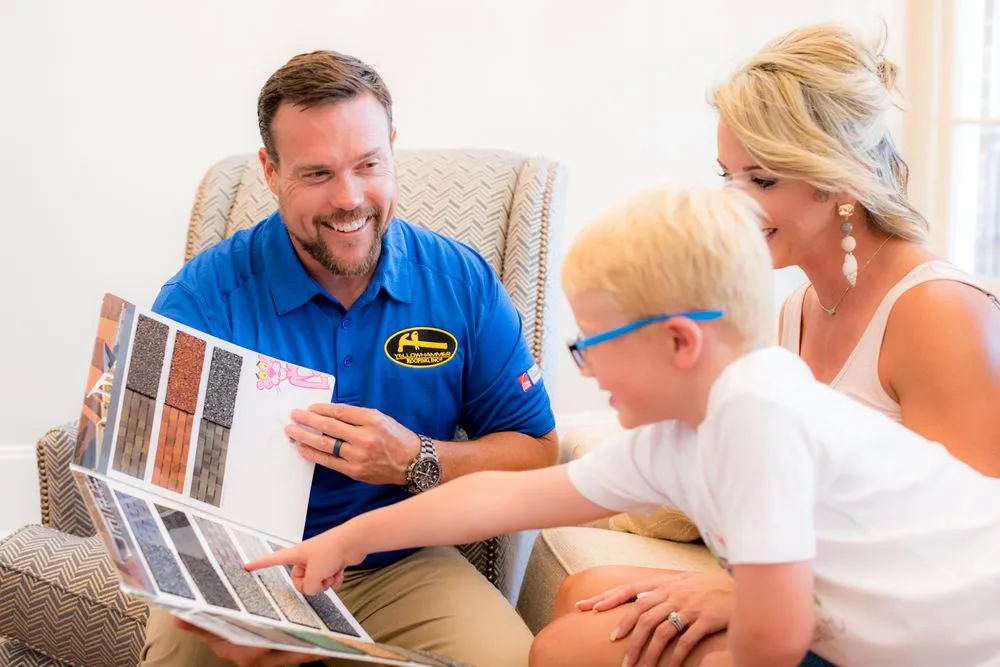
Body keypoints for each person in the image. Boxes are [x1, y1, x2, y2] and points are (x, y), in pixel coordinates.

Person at [246, 183, 1000, 667]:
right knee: (567, 647)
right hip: (869, 636)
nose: (587, 369)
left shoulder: (757, 412)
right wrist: (347, 539)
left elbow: (772, 640)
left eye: (593, 344)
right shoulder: (677, 437)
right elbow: (502, 500)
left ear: (679, 341)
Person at [540, 21, 1000, 667]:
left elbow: (971, 564)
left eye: (762, 182)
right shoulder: (794, 311)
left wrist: (745, 598)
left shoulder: (938, 312)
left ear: (840, 180)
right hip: (816, 599)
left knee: (574, 645)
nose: (736, 205)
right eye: (727, 176)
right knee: (587, 595)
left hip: (916, 637)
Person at [137, 49, 559, 667]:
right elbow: (146, 493)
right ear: (270, 170)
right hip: (247, 566)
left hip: (401, 562)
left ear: (392, 148)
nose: (350, 198)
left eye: (368, 165)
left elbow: (537, 453)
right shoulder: (200, 298)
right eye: (316, 174)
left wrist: (416, 459)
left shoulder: (461, 282)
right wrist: (212, 608)